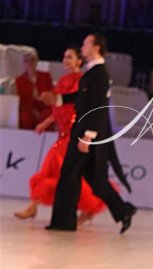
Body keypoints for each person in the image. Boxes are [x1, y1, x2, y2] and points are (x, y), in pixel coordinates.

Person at [14, 47, 121, 223]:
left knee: (63, 170)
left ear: (79, 61)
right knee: (54, 170)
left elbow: (79, 105)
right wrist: (46, 122)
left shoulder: (83, 80)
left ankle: (85, 209)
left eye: (70, 57)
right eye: (64, 57)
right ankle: (34, 206)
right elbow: (58, 108)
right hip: (63, 132)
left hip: (74, 132)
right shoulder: (64, 80)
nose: (66, 60)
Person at [42, 33, 136, 233]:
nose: (83, 47)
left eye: (86, 44)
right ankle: (123, 210)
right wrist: (58, 100)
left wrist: (88, 136)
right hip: (87, 130)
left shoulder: (99, 74)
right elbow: (82, 98)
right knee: (95, 179)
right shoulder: (93, 72)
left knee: (69, 174)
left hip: (88, 132)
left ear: (96, 48)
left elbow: (98, 106)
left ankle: (64, 222)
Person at [15, 50, 53, 129]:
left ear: (36, 61)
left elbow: (51, 93)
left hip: (44, 106)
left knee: (47, 114)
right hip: (29, 107)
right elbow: (22, 100)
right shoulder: (19, 80)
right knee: (25, 117)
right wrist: (33, 111)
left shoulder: (46, 76)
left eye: (32, 60)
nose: (29, 63)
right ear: (23, 64)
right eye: (26, 60)